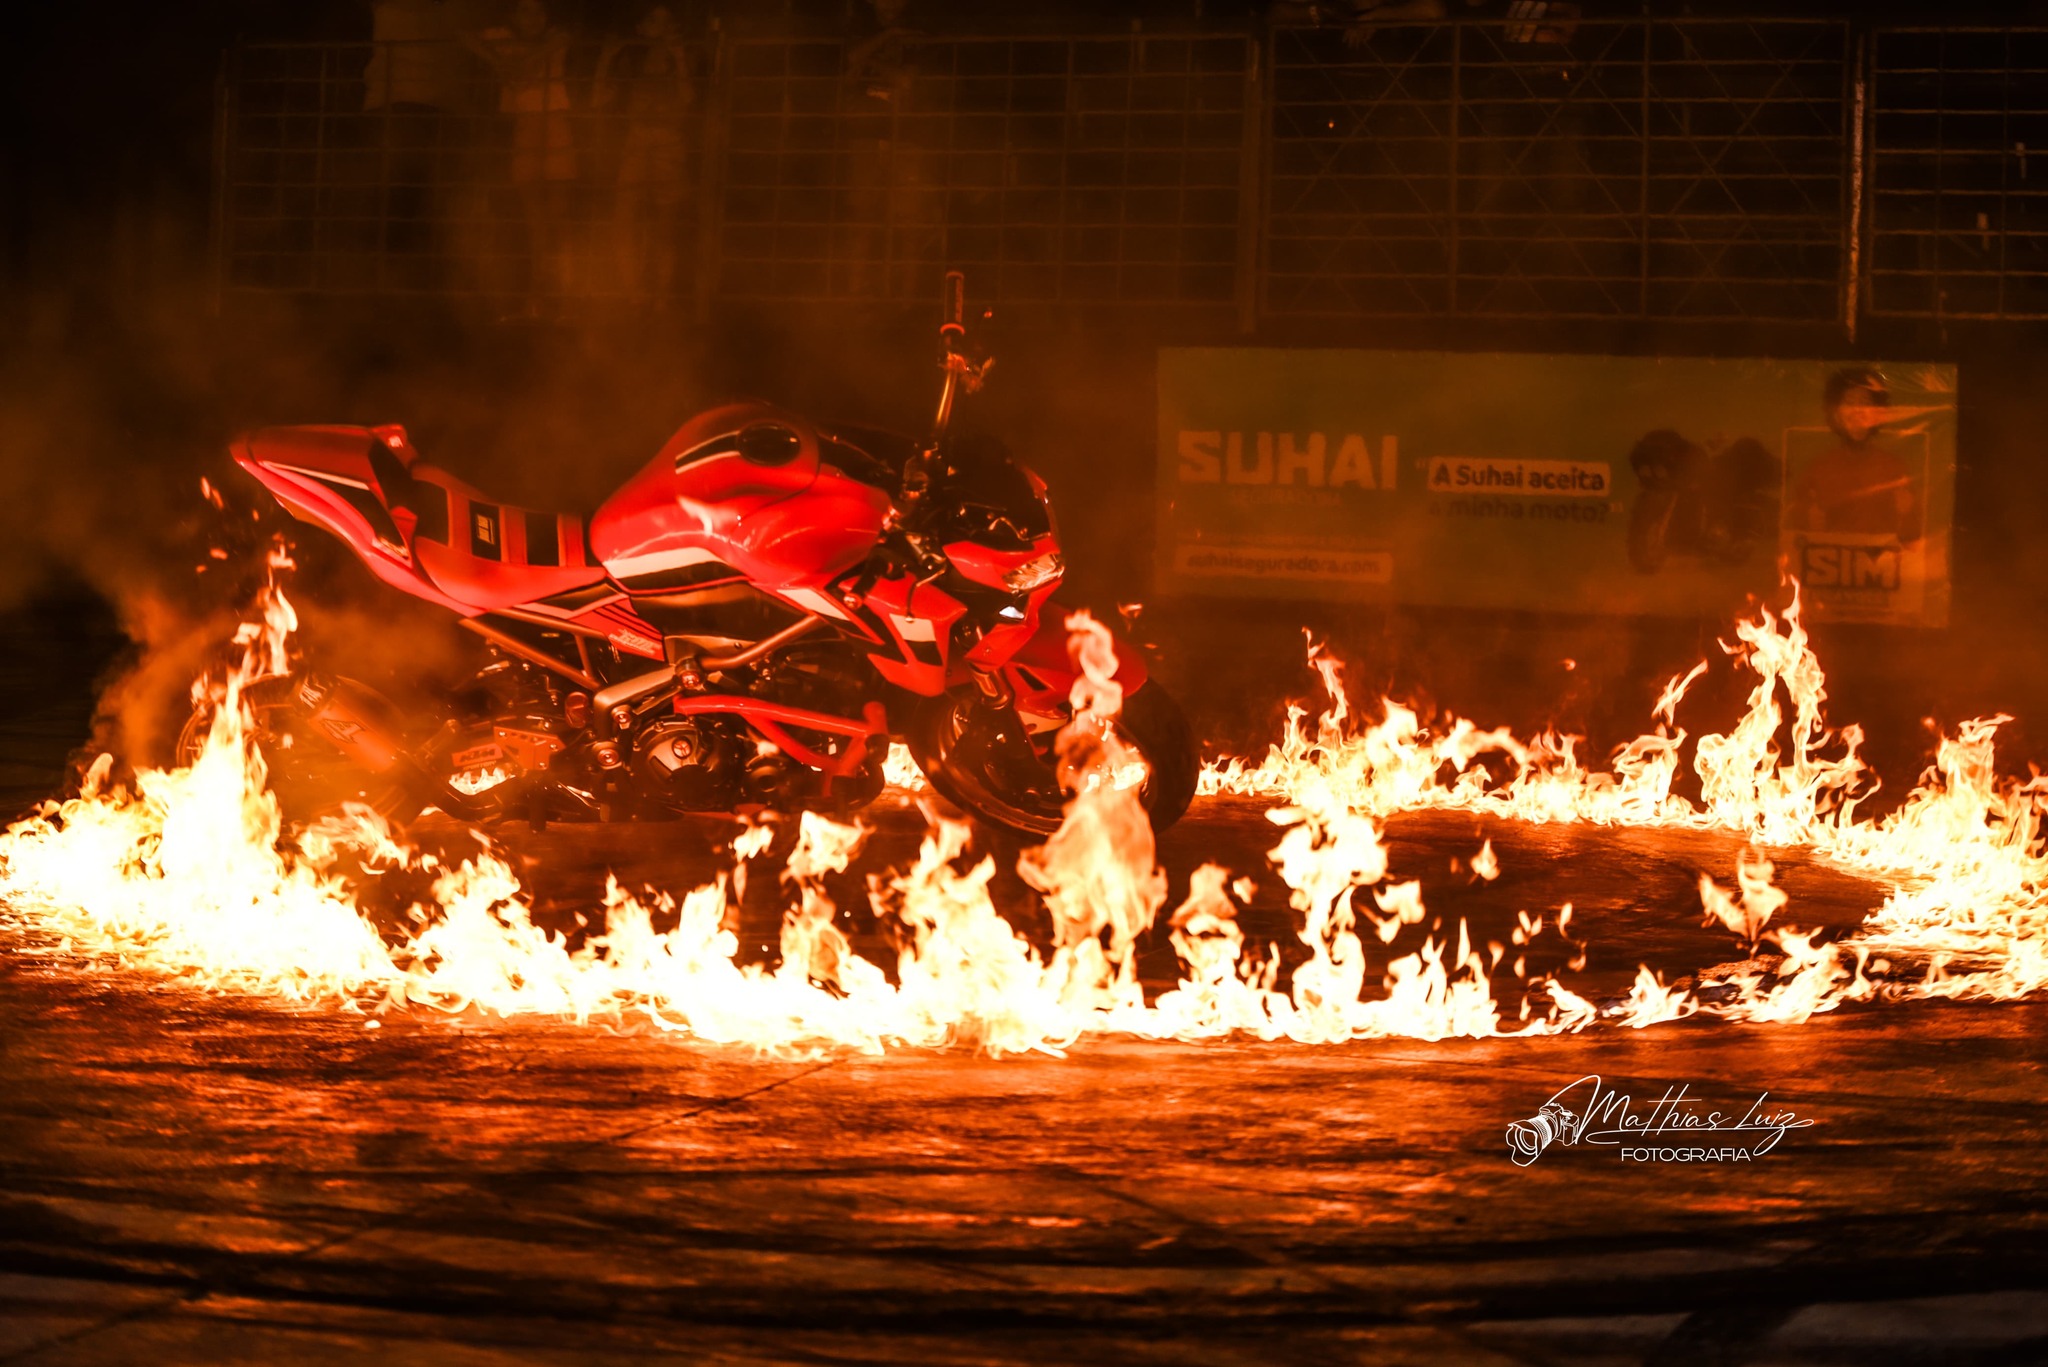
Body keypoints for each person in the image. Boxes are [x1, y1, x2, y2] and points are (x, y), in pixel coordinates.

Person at [468, 0, 576, 313]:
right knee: (535, 220)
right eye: (526, 10)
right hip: (526, 128)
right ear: (513, 14)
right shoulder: (501, 36)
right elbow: (462, 34)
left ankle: (561, 293)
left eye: (540, 10)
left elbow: (565, 38)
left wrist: (524, 59)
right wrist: (496, 61)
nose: (534, 18)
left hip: (556, 124)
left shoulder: (554, 34)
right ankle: (540, 292)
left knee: (559, 216)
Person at [597, 5, 694, 305]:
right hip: (637, 140)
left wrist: (678, 60)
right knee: (624, 218)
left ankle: (661, 296)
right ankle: (631, 292)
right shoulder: (629, 58)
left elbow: (687, 101)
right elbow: (599, 97)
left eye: (667, 21)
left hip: (668, 140)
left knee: (665, 223)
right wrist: (607, 56)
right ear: (641, 27)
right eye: (654, 20)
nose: (661, 27)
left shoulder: (681, 56)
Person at [1787, 367, 1923, 545]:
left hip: (1881, 569)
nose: (1858, 410)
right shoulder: (1817, 469)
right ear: (1835, 412)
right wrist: (1808, 524)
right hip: (1830, 567)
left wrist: (1906, 513)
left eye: (1865, 402)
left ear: (1878, 412)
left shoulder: (1894, 469)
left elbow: (1913, 539)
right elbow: (1793, 539)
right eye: (1849, 401)